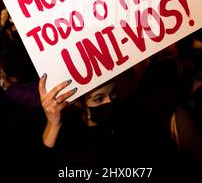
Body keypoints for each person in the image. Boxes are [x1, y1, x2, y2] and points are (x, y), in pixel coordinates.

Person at [39, 73, 182, 177]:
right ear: (79, 103)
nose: (109, 102)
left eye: (113, 94)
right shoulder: (70, 136)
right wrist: (53, 125)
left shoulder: (134, 119)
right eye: (99, 99)